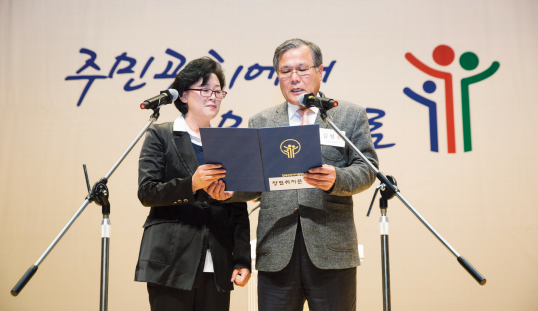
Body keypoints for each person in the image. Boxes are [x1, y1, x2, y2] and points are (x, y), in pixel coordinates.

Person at [207, 38, 379, 311]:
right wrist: (229, 191)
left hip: (331, 251)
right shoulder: (261, 122)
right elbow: (254, 182)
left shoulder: (346, 115)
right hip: (276, 250)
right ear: (278, 76)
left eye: (303, 69)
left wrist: (337, 179)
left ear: (320, 71)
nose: (294, 78)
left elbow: (367, 170)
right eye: (285, 71)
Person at [134, 57, 251, 311]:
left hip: (216, 261)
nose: (213, 97)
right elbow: (147, 192)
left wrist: (242, 258)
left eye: (218, 91)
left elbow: (237, 205)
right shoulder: (161, 135)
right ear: (184, 95)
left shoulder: (227, 143)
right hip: (171, 262)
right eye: (205, 90)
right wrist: (192, 184)